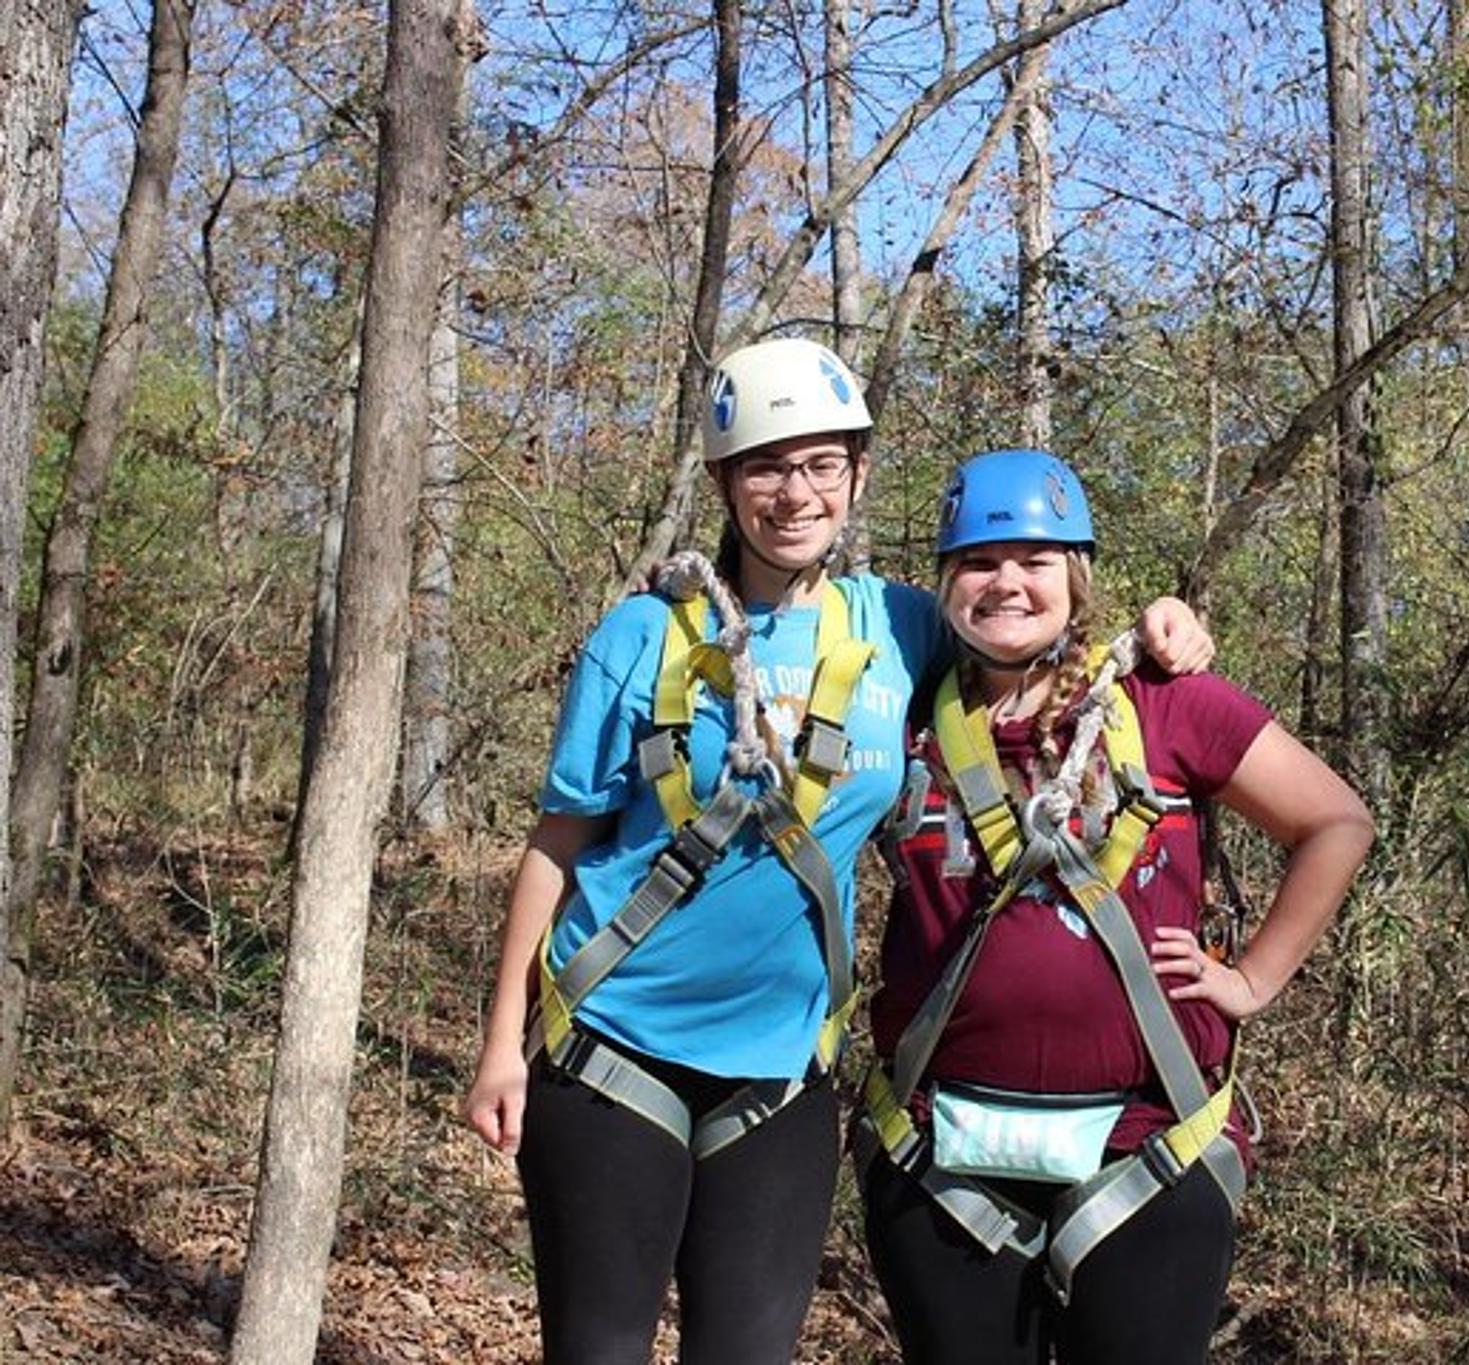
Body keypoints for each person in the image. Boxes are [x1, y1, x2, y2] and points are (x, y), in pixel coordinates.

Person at [462, 340, 1212, 1364]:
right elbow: (558, 843)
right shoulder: (643, 635)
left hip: (781, 1070)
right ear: (726, 484)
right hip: (610, 1044)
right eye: (765, 467)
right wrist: (502, 1042)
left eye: (821, 465)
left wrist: (1160, 626)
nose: (793, 493)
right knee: (597, 1351)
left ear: (856, 477)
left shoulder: (899, 628)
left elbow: (1026, 633)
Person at [858, 448, 1374, 1364]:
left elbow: (1335, 821)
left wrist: (1253, 976)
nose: (1006, 582)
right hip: (937, 1150)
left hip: (1148, 1148)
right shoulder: (900, 706)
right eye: (978, 561)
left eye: (1035, 560)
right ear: (943, 583)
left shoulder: (1161, 699)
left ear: (1077, 574)